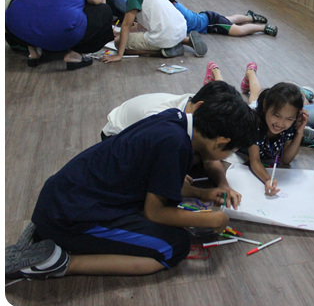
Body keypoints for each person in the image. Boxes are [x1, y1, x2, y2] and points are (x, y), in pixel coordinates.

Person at [6, 91, 259, 280]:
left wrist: (201, 194)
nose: (227, 156)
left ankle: (45, 234)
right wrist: (212, 220)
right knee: (173, 247)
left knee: (164, 225)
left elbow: (156, 180)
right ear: (221, 141)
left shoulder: (175, 120)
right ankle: (58, 263)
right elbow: (155, 212)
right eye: (231, 151)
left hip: (62, 196)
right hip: (71, 216)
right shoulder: (176, 146)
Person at [101, 81, 244, 208]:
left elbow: (210, 159)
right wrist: (177, 176)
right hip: (116, 135)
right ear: (200, 107)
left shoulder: (200, 108)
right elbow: (155, 206)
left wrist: (223, 185)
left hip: (153, 139)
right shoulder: (160, 121)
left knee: (205, 149)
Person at [204, 61, 309, 196]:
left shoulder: (290, 123)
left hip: (261, 108)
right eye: (276, 115)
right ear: (265, 106)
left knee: (255, 97)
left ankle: (250, 73)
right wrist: (267, 179)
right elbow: (255, 161)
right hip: (251, 114)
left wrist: (299, 132)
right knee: (228, 97)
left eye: (289, 119)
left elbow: (287, 159)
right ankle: (215, 71)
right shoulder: (254, 124)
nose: (281, 123)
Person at [100, 0, 207, 63]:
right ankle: (183, 42)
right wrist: (119, 33)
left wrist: (119, 55)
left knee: (119, 43)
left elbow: (126, 25)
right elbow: (140, 27)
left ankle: (163, 51)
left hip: (164, 36)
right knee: (138, 36)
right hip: (181, 30)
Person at [153, 0, 278, 37]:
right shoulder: (172, 5)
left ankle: (263, 28)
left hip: (210, 23)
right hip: (207, 18)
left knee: (238, 31)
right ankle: (250, 17)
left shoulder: (173, 10)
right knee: (228, 19)